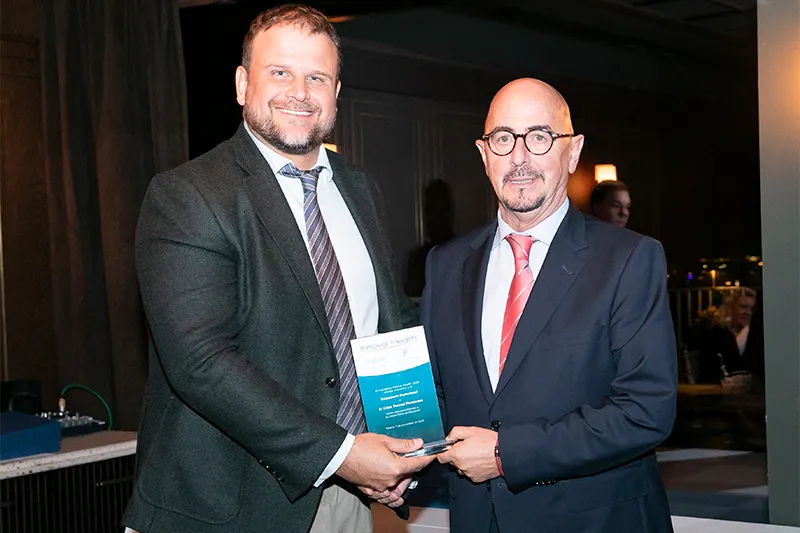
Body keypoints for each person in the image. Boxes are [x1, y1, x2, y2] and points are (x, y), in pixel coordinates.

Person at [122, 5, 433, 533]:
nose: (300, 92)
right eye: (280, 72)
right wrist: (342, 454)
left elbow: (386, 328)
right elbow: (202, 362)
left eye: (317, 77)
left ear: (336, 92)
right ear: (243, 84)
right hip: (225, 509)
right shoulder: (188, 195)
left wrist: (406, 443)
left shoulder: (360, 190)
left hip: (351, 501)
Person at [420, 78, 677, 532]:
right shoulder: (445, 265)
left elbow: (645, 412)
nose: (519, 157)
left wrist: (505, 454)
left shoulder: (629, 258)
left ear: (572, 152)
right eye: (503, 139)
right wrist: (399, 453)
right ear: (484, 155)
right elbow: (438, 395)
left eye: (539, 137)